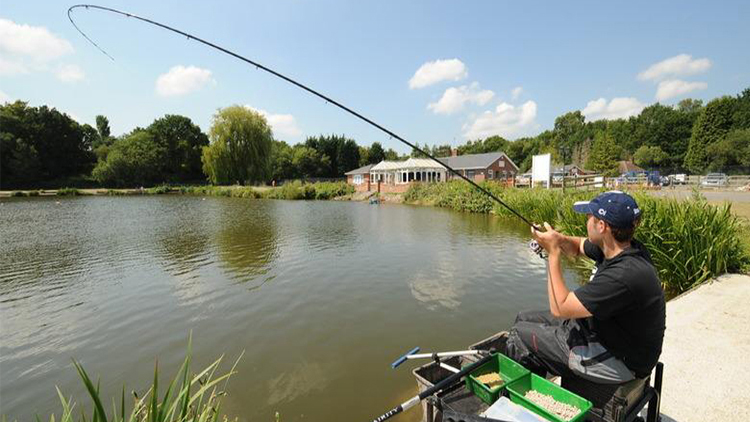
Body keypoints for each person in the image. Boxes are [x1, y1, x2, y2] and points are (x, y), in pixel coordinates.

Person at [505, 191, 666, 384]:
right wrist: (558, 239)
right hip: (604, 334)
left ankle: (523, 400)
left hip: (620, 361)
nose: (586, 219)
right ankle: (536, 384)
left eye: (589, 216)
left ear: (601, 226)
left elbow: (561, 308)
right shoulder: (617, 247)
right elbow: (580, 245)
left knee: (519, 336)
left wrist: (553, 253)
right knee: (523, 318)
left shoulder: (624, 274)